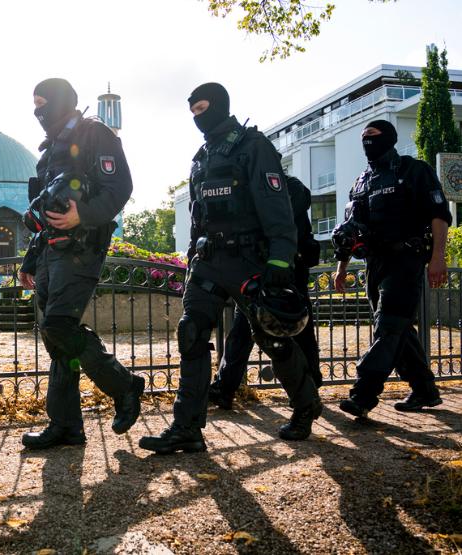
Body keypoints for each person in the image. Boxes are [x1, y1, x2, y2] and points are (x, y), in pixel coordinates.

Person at [139, 82, 323, 454]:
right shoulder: (201, 158)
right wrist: (193, 259)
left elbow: (278, 209)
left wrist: (279, 260)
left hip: (249, 261)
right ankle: (187, 427)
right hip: (209, 262)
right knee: (191, 333)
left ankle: (306, 406)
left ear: (220, 105)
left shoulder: (253, 147)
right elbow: (197, 217)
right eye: (192, 112)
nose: (197, 118)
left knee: (271, 336)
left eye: (202, 108)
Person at [17, 78, 144, 449]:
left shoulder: (95, 134)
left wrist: (82, 215)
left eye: (43, 103)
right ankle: (66, 425)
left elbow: (119, 188)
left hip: (82, 246)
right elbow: (43, 211)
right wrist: (31, 258)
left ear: (60, 101)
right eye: (34, 105)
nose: (38, 112)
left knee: (59, 326)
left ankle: (124, 385)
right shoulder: (49, 149)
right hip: (50, 251)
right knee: (56, 338)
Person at [335, 119, 450, 419]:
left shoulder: (415, 170)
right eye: (363, 136)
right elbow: (350, 229)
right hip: (376, 263)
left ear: (389, 137)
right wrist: (341, 267)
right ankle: (425, 390)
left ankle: (363, 394)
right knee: (397, 330)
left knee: (387, 327)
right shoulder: (361, 181)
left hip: (406, 259)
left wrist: (439, 257)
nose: (367, 140)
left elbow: (439, 215)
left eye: (372, 135)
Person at [208, 175, 322, 409]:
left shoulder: (290, 187)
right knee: (241, 332)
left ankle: (310, 387)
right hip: (259, 270)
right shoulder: (251, 186)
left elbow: (286, 217)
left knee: (299, 331)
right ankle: (225, 387)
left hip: (287, 271)